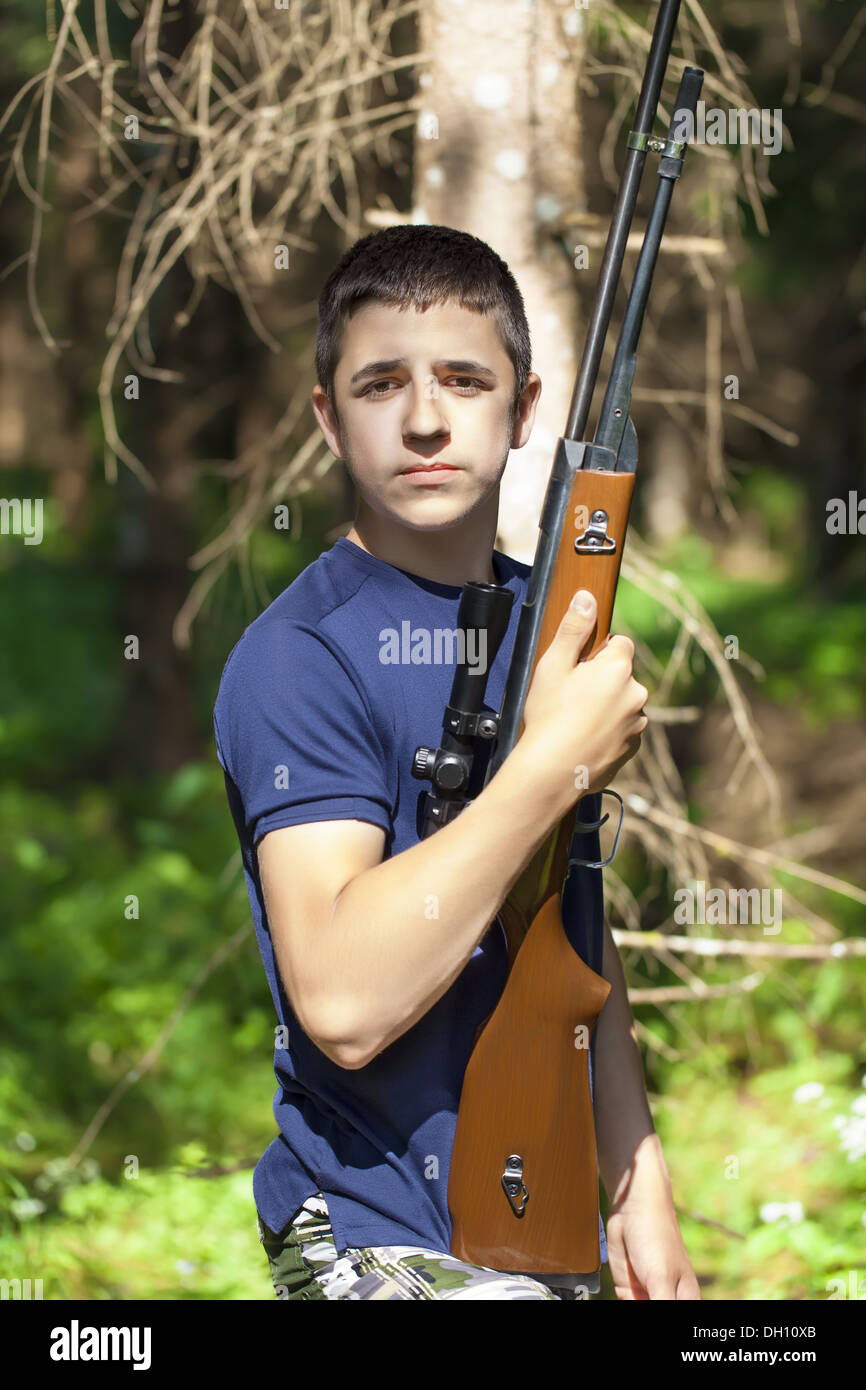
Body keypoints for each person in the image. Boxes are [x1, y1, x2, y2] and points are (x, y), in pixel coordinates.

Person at [213, 224, 700, 1301]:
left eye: (463, 379)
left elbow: (564, 929)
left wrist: (637, 1180)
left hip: (547, 1207)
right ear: (326, 418)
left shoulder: (551, 623)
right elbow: (341, 1002)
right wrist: (545, 767)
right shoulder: (297, 659)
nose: (425, 418)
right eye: (380, 382)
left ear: (523, 409)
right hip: (366, 1231)